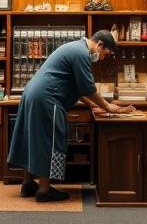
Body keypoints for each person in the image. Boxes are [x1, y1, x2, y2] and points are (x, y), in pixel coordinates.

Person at [7, 29, 133, 202]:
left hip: (32, 94)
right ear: (100, 45)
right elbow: (88, 88)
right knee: (47, 141)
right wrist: (108, 106)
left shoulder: (75, 48)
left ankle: (28, 184)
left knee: (32, 139)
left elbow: (78, 86)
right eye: (106, 54)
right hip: (47, 98)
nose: (104, 58)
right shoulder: (82, 53)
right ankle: (44, 190)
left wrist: (91, 104)